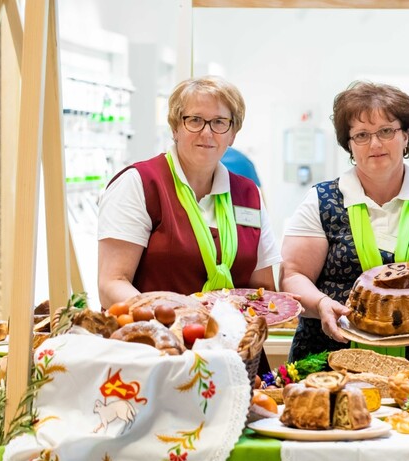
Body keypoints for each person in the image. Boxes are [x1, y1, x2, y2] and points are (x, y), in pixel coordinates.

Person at [281, 81, 409, 371]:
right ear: (349, 144)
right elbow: (293, 276)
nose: (375, 144)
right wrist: (322, 303)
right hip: (328, 363)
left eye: (386, 131)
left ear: (406, 135)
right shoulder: (321, 200)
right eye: (361, 135)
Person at [97, 76, 281, 308]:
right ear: (175, 128)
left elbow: (261, 290)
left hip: (236, 341)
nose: (207, 132)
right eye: (194, 120)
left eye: (219, 122)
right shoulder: (138, 184)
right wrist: (178, 314)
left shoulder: (248, 194)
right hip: (157, 339)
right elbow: (112, 284)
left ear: (232, 134)